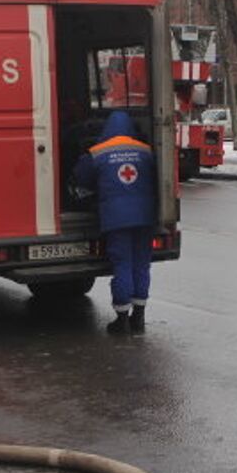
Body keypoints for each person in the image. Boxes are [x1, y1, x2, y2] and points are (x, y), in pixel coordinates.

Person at [72, 110, 157, 334]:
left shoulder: (99, 152)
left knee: (123, 265)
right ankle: (139, 317)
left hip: (116, 218)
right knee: (141, 264)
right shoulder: (146, 151)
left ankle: (122, 319)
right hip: (145, 216)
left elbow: (81, 178)